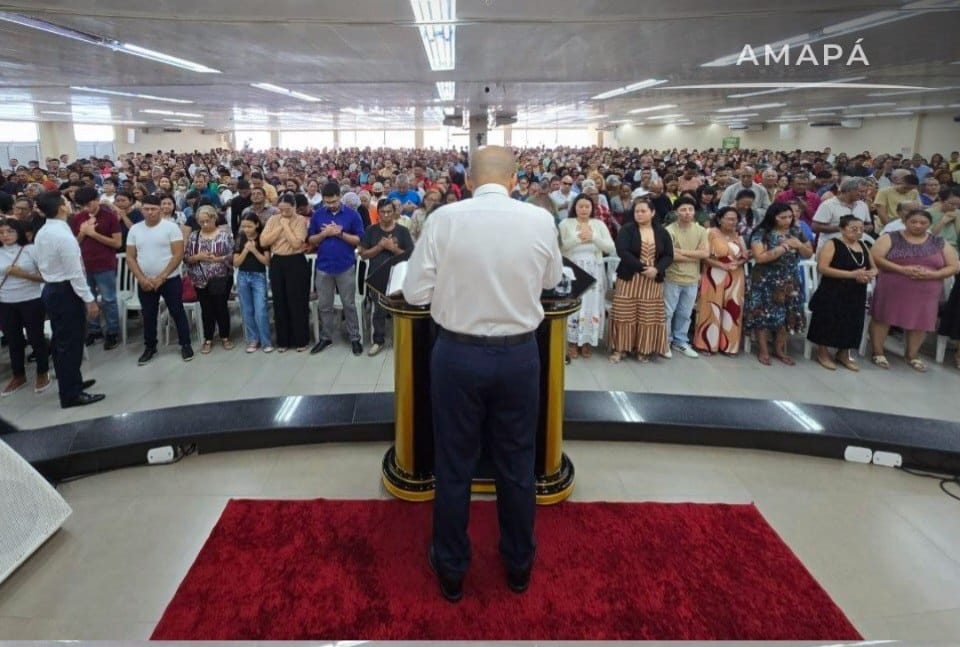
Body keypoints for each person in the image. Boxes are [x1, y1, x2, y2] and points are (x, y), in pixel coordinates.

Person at [402, 146, 563, 603]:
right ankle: (518, 564)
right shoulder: (538, 220)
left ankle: (452, 568)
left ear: (469, 180)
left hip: (457, 355)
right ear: (514, 181)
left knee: (454, 464)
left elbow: (415, 293)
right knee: (516, 464)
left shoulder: (444, 220)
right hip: (519, 358)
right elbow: (551, 281)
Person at [32, 191, 104, 407]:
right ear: (62, 207)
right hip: (65, 291)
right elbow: (75, 272)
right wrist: (89, 300)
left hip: (54, 289)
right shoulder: (61, 235)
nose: (70, 204)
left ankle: (72, 382)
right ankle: (70, 394)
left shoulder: (46, 231)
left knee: (65, 342)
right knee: (69, 344)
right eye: (66, 202)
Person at [868, 208, 960, 372]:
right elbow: (876, 257)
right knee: (884, 317)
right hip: (894, 285)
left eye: (923, 223)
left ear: (929, 224)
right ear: (905, 221)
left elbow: (953, 266)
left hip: (927, 288)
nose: (918, 225)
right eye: (914, 222)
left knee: (920, 321)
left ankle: (912, 354)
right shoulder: (891, 237)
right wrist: (902, 269)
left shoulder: (939, 242)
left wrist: (934, 274)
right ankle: (878, 351)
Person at [126, 194, 195, 365]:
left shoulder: (170, 228)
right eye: (146, 209)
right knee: (148, 315)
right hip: (145, 281)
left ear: (160, 209)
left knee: (177, 311)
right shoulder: (135, 229)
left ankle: (185, 344)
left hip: (169, 279)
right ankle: (150, 346)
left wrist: (162, 276)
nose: (150, 212)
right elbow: (130, 257)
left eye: (153, 209)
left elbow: (178, 254)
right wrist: (141, 278)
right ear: (141, 210)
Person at [744, 202, 814, 366]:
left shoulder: (796, 231)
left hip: (789, 278)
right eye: (782, 217)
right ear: (773, 217)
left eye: (790, 217)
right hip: (765, 279)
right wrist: (783, 247)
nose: (787, 220)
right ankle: (763, 349)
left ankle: (779, 349)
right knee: (763, 314)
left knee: (786, 314)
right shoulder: (762, 233)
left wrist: (800, 245)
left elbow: (809, 253)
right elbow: (760, 257)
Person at [806, 215, 877, 371]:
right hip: (833, 289)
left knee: (853, 321)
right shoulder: (832, 244)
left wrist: (868, 275)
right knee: (828, 319)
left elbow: (874, 267)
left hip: (856, 291)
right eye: (853, 229)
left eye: (861, 229)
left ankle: (843, 353)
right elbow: (823, 268)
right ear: (842, 229)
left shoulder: (864, 245)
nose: (858, 232)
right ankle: (822, 352)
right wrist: (852, 275)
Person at [609, 197, 674, 363]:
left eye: (643, 211)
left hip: (652, 280)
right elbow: (622, 251)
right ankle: (620, 349)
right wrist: (643, 269)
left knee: (647, 316)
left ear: (652, 213)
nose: (639, 214)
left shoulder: (662, 232)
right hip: (629, 278)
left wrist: (657, 269)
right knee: (625, 315)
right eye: (637, 211)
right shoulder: (627, 229)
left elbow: (668, 255)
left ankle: (643, 350)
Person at [307, 183, 365, 355]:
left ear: (340, 197)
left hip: (345, 265)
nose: (330, 205)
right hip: (324, 266)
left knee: (349, 304)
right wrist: (324, 234)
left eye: (333, 201)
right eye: (327, 202)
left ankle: (355, 338)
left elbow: (358, 240)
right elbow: (311, 241)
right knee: (325, 305)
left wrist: (340, 233)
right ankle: (326, 337)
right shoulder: (318, 215)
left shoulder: (352, 215)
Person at [558, 193, 615, 358]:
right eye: (580, 206)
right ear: (574, 207)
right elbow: (560, 247)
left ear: (592, 208)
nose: (583, 210)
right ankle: (572, 342)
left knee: (591, 304)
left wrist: (593, 237)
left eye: (587, 207)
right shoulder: (566, 223)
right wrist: (578, 238)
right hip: (573, 269)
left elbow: (610, 247)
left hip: (594, 268)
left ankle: (586, 341)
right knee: (575, 305)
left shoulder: (598, 224)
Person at [0, 218, 51, 396]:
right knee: (13, 340)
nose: (5, 235)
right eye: (1, 232)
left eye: (9, 231)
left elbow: (46, 276)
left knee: (36, 338)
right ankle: (18, 375)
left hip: (31, 299)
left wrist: (22, 274)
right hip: (5, 302)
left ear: (18, 232)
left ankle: (42, 372)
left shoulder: (30, 250)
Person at [358, 199, 414, 356]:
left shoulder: (402, 231)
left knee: (402, 309)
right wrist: (380, 246)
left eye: (389, 211)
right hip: (377, 276)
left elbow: (410, 255)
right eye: (383, 212)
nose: (386, 215)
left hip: (399, 276)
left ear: (395, 212)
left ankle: (403, 340)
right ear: (378, 214)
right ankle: (378, 340)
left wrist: (392, 248)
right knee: (379, 309)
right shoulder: (371, 230)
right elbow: (363, 255)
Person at [71, 186, 122, 350]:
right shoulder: (78, 218)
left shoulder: (110, 217)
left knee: (109, 299)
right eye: (82, 206)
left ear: (96, 200)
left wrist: (93, 234)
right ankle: (94, 329)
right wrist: (83, 233)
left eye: (88, 204)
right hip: (84, 265)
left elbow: (117, 243)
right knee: (88, 298)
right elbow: (74, 243)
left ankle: (113, 331)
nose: (86, 208)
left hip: (104, 264)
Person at [693, 207, 749, 356]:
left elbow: (745, 255)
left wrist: (739, 263)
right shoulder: (710, 233)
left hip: (735, 275)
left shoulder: (738, 236)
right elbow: (705, 256)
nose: (732, 222)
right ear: (719, 219)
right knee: (712, 307)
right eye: (729, 219)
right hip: (714, 273)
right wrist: (721, 265)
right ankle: (706, 344)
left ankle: (729, 346)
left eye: (735, 219)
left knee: (732, 309)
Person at [261, 193, 310, 352]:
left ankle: (300, 340)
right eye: (280, 209)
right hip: (278, 262)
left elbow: (296, 243)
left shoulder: (300, 220)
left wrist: (286, 226)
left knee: (297, 301)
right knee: (279, 301)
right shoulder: (273, 220)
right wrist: (281, 225)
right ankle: (283, 341)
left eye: (287, 210)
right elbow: (263, 241)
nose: (283, 213)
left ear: (294, 207)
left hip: (295, 261)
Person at [185, 205, 235, 354]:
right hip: (200, 278)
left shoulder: (224, 235)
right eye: (201, 222)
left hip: (220, 277)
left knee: (220, 307)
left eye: (207, 221)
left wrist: (219, 258)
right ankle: (208, 338)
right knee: (206, 309)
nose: (205, 225)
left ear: (214, 218)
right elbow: (187, 258)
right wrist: (197, 257)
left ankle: (225, 336)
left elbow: (233, 256)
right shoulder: (194, 236)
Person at [233, 213, 273, 353]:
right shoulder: (240, 237)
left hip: (258, 276)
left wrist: (254, 250)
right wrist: (246, 249)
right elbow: (236, 262)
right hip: (243, 276)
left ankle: (266, 341)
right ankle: (253, 339)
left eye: (249, 226)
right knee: (247, 309)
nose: (246, 229)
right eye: (244, 226)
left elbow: (267, 261)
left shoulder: (263, 237)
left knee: (261, 309)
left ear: (256, 224)